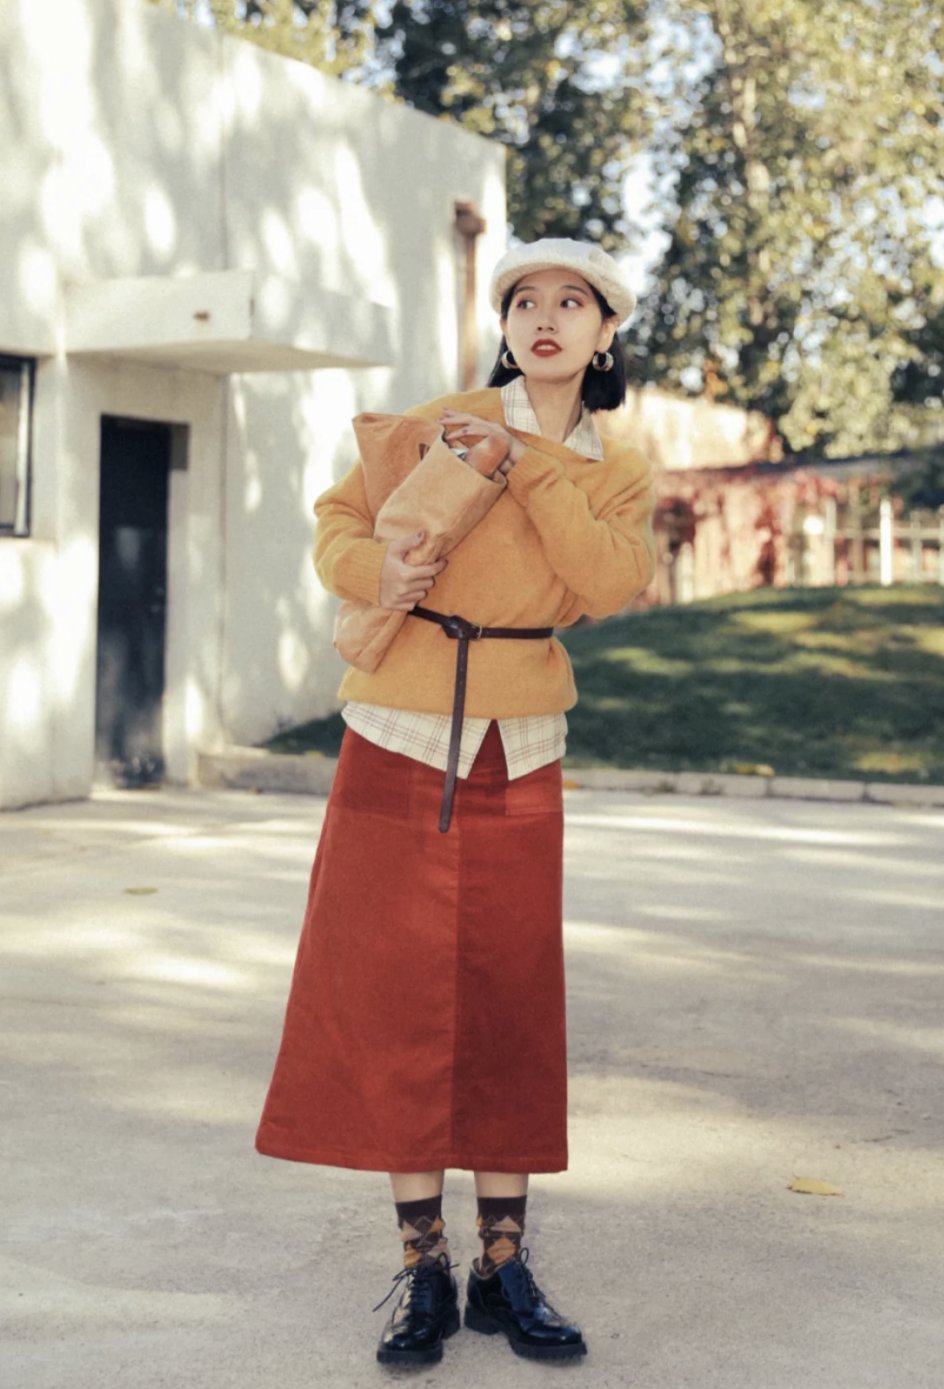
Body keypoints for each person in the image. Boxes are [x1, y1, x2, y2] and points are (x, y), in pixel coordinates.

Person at [255, 236, 656, 1368]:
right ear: (506, 321)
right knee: (391, 995)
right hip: (394, 732)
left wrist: (524, 463)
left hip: (520, 744)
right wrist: (373, 574)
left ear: (603, 332)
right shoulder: (439, 417)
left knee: (509, 999)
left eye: (570, 303)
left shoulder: (612, 467)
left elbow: (606, 580)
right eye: (525, 300)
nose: (545, 318)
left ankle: (503, 1267)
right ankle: (421, 1269)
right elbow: (337, 523)